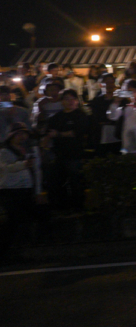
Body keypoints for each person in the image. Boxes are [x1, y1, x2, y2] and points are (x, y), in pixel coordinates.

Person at [0, 123, 43, 261]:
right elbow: (6, 168)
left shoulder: (30, 149)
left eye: (24, 133)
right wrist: (24, 164)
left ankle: (19, 250)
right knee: (13, 221)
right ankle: (6, 251)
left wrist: (38, 191)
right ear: (11, 136)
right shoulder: (4, 151)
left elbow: (37, 170)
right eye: (18, 134)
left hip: (26, 188)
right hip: (10, 189)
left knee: (24, 220)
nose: (22, 137)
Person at [45, 89, 92, 211]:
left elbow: (76, 132)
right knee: (59, 183)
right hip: (59, 155)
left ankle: (78, 207)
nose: (70, 101)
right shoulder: (56, 117)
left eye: (73, 98)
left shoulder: (81, 116)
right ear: (62, 102)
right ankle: (63, 207)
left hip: (75, 155)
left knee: (76, 182)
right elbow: (49, 133)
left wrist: (59, 134)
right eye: (67, 99)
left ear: (77, 101)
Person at [89, 74, 121, 156]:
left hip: (118, 135)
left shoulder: (120, 100)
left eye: (111, 82)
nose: (110, 85)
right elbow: (96, 118)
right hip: (101, 135)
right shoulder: (96, 101)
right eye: (107, 83)